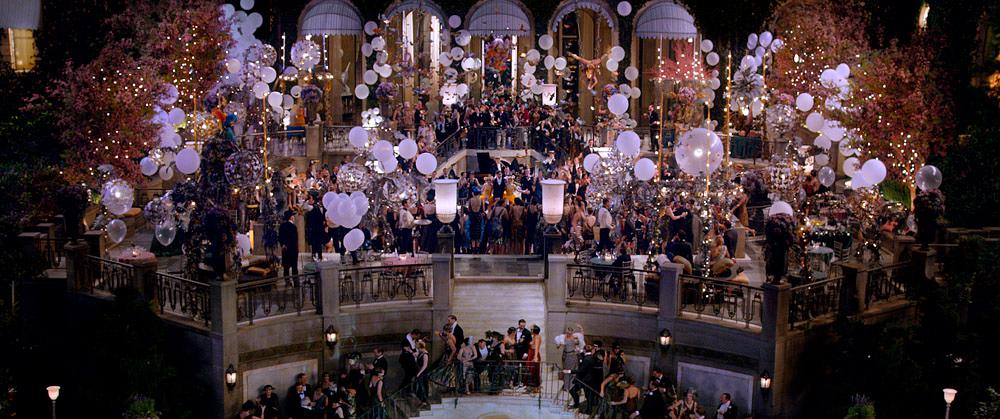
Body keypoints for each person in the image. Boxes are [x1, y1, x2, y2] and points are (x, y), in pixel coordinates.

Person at [305, 194, 327, 261]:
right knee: (316, 243)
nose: (309, 200)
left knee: (316, 243)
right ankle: (317, 255)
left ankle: (317, 255)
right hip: (316, 228)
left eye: (310, 199)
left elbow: (305, 206)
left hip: (316, 228)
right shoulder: (314, 207)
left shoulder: (313, 207)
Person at [279, 210, 299, 276]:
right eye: (293, 215)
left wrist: (283, 245)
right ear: (290, 217)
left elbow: (280, 237)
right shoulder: (293, 227)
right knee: (294, 267)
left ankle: (287, 280)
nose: (294, 217)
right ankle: (295, 281)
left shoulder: (282, 226)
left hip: (285, 249)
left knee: (286, 268)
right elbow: (294, 239)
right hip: (293, 249)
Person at [414, 341, 431, 407]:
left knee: (423, 386)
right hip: (419, 371)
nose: (418, 349)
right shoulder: (420, 353)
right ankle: (421, 400)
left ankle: (424, 401)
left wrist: (419, 373)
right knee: (419, 387)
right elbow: (415, 354)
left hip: (423, 372)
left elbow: (425, 365)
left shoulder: (425, 354)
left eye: (418, 348)